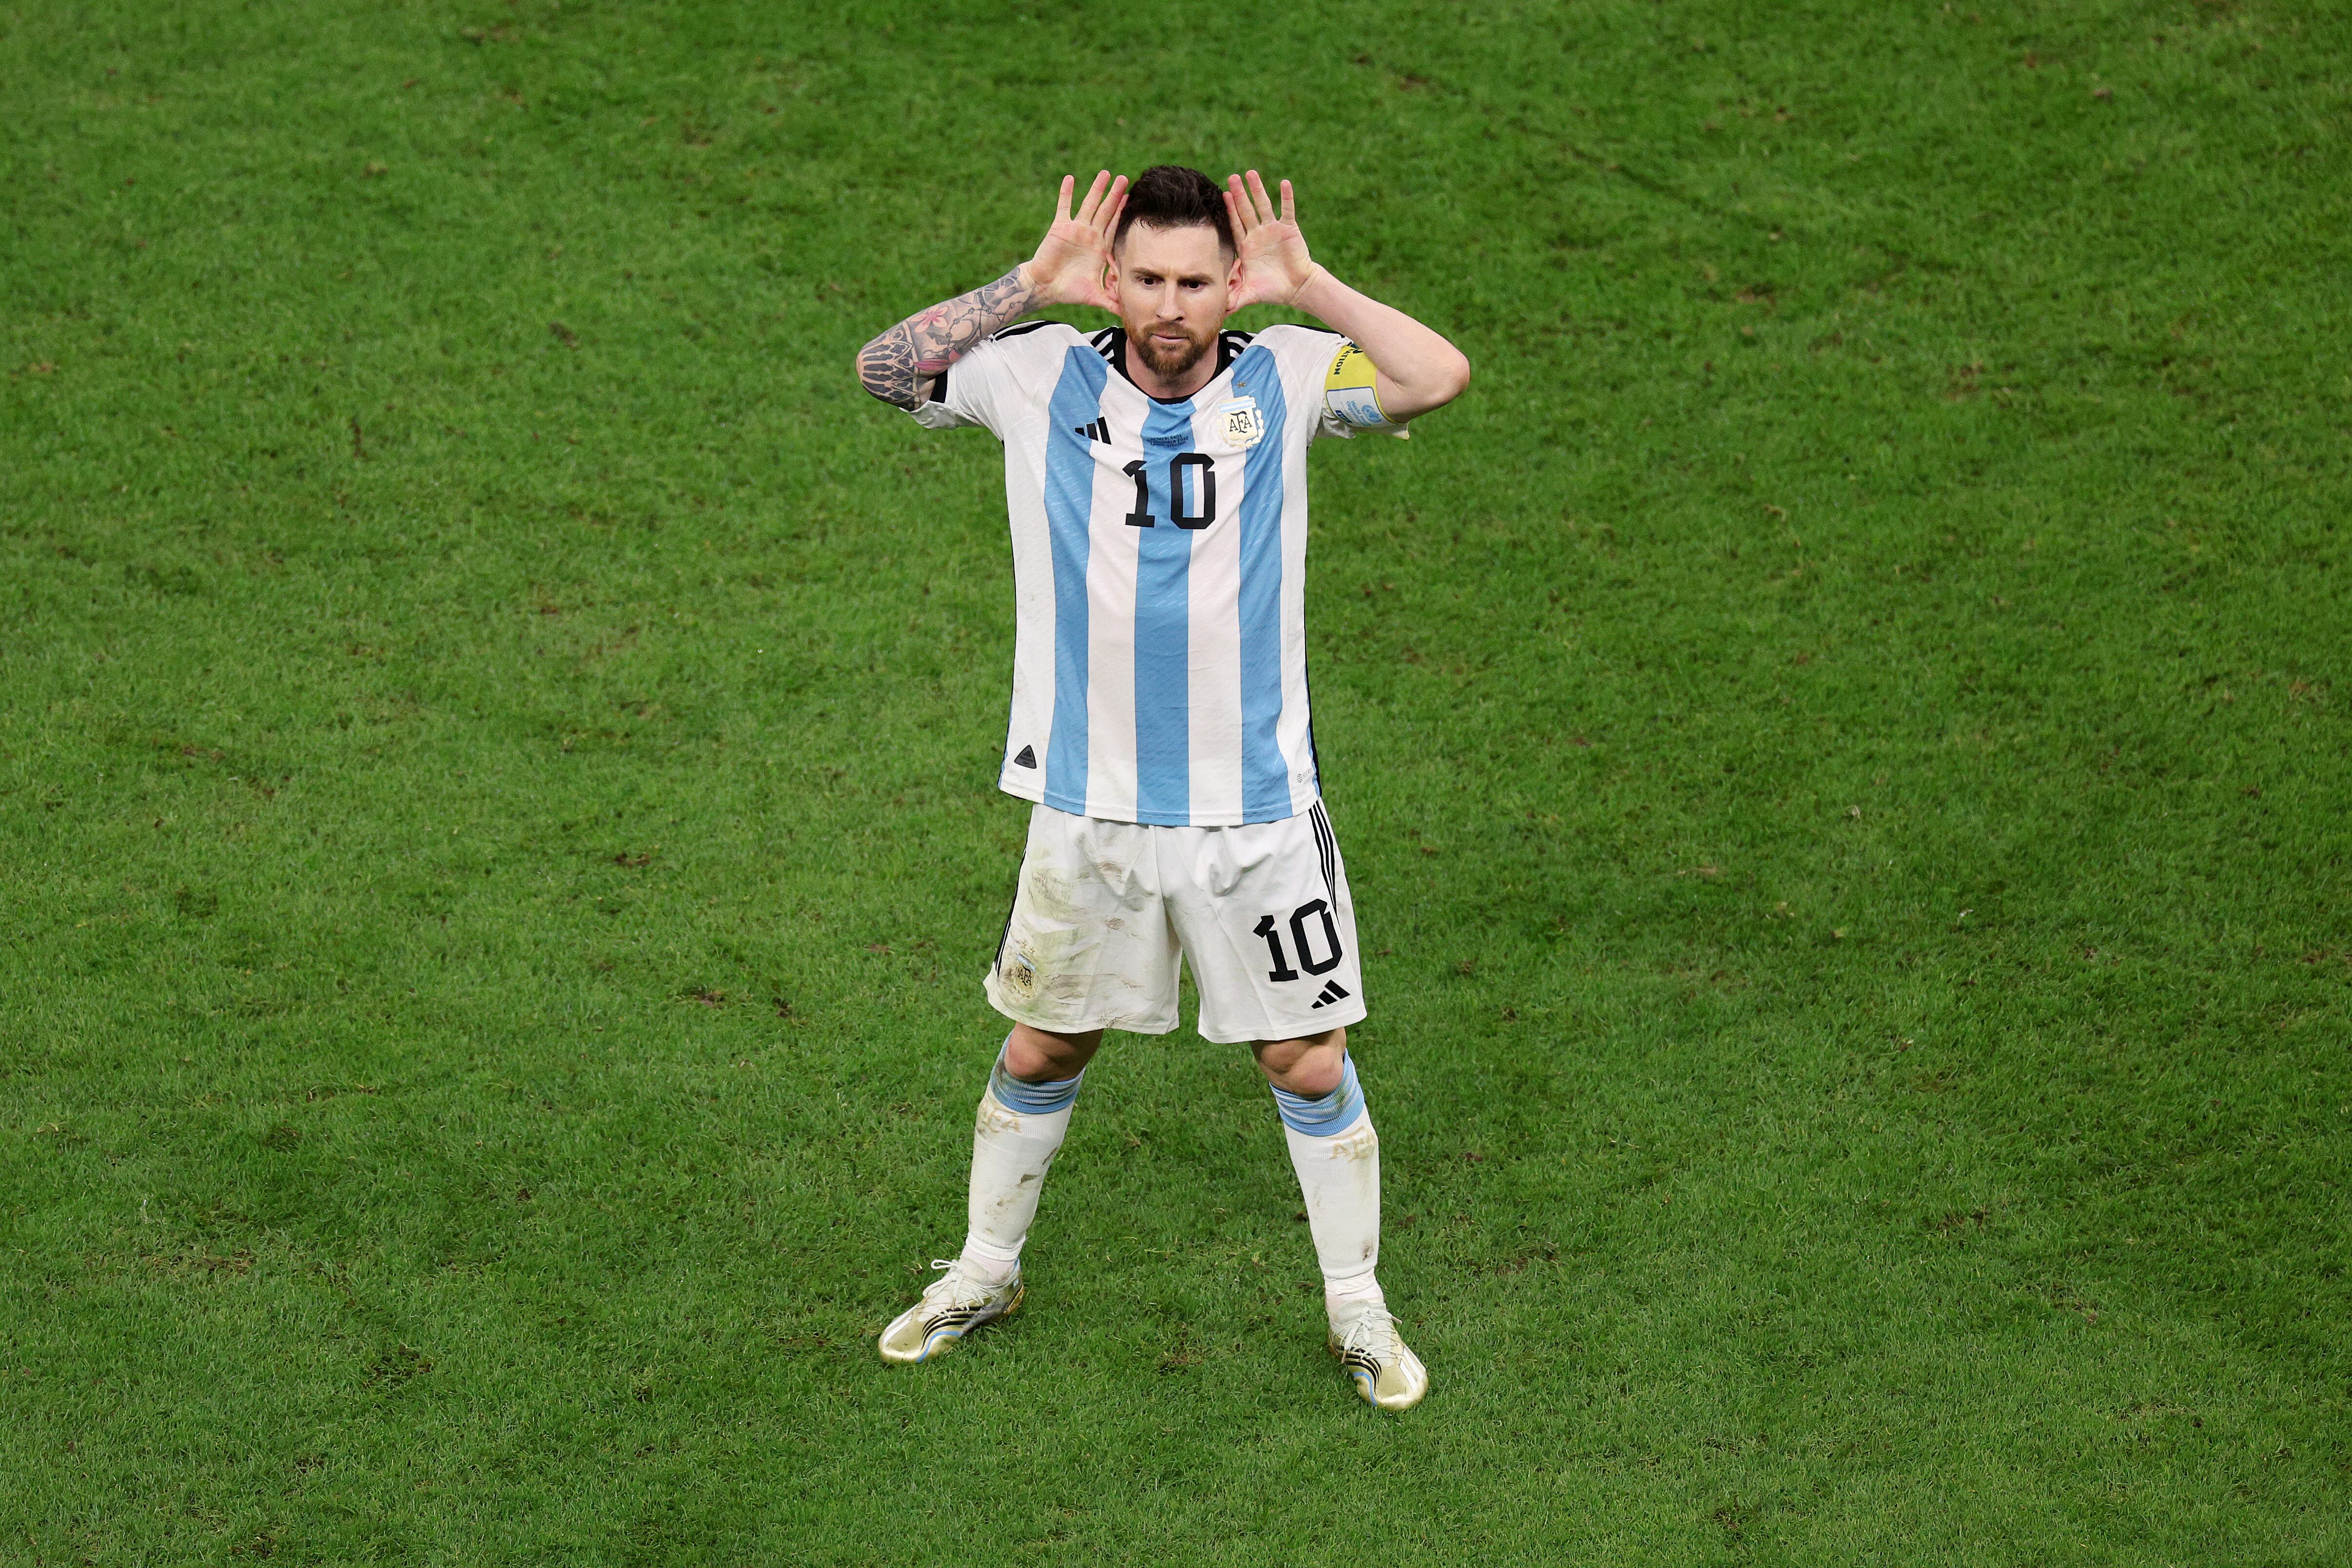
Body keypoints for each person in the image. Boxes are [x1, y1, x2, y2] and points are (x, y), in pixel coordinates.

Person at [852, 164, 1470, 1410]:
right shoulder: (1035, 372)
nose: (1172, 307)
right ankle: (983, 1271)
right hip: (1089, 809)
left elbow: (1434, 377)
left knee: (1304, 1059)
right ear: (1116, 278)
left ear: (1231, 280)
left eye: (1197, 281)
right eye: (1149, 280)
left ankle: (1358, 1308)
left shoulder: (1291, 373)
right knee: (1042, 1042)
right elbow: (884, 371)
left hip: (1255, 814)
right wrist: (1027, 286)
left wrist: (1318, 287)